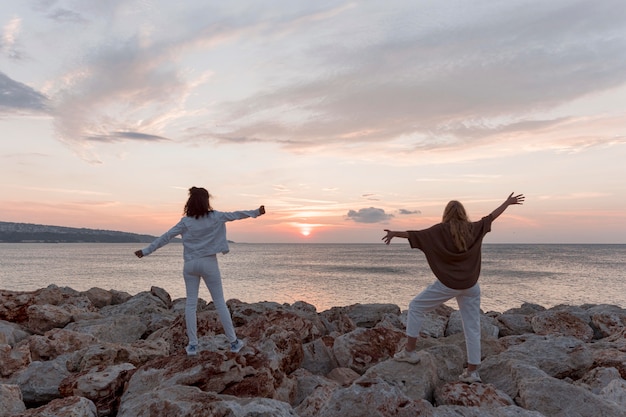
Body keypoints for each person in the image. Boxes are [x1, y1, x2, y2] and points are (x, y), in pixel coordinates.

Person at [382, 192, 524, 383]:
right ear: (463, 213)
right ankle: (473, 372)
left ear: (446, 213)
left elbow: (414, 235)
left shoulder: (440, 230)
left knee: (416, 307)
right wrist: (507, 202)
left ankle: (409, 352)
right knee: (472, 326)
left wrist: (394, 234)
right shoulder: (473, 228)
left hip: (448, 285)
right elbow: (491, 217)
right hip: (471, 286)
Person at [135, 186, 265, 356]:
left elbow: (166, 237)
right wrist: (256, 212)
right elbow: (236, 215)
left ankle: (193, 346)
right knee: (219, 302)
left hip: (190, 265)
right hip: (209, 263)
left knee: (191, 304)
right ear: (206, 201)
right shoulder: (215, 216)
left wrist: (145, 251)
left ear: (190, 202)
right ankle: (233, 342)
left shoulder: (186, 222)